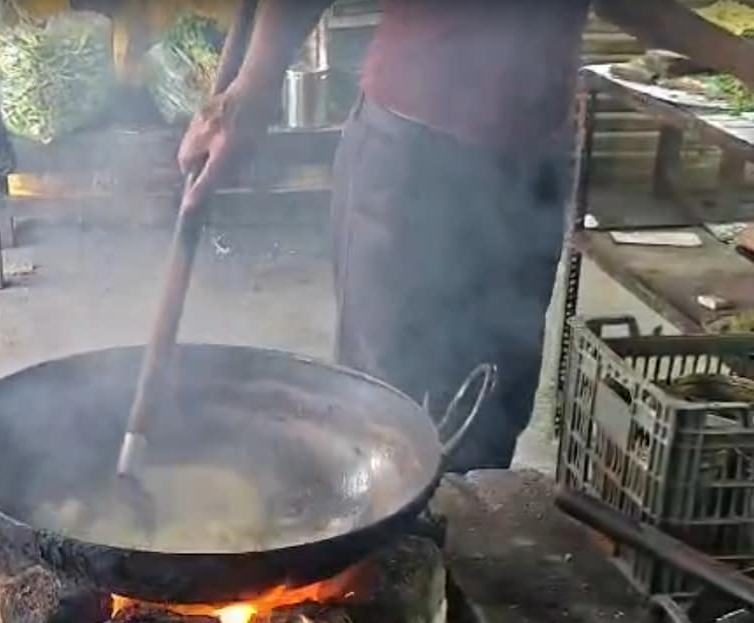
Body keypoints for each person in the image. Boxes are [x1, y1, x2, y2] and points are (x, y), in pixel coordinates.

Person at [178, 0, 754, 471]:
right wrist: (251, 90)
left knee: (492, 409)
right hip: (414, 161)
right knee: (390, 417)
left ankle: (457, 566)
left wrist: (741, 59)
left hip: (532, 168)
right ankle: (379, 569)